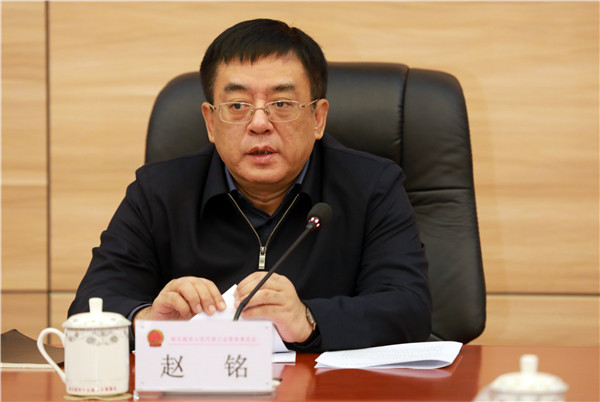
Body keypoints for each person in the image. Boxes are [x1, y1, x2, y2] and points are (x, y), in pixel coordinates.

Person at [68, 18, 431, 352]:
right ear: (211, 122)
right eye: (238, 105)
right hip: (196, 386)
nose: (259, 123)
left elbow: (409, 308)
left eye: (282, 103)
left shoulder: (371, 187)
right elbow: (90, 306)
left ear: (318, 118)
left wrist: (307, 319)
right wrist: (149, 321)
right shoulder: (159, 192)